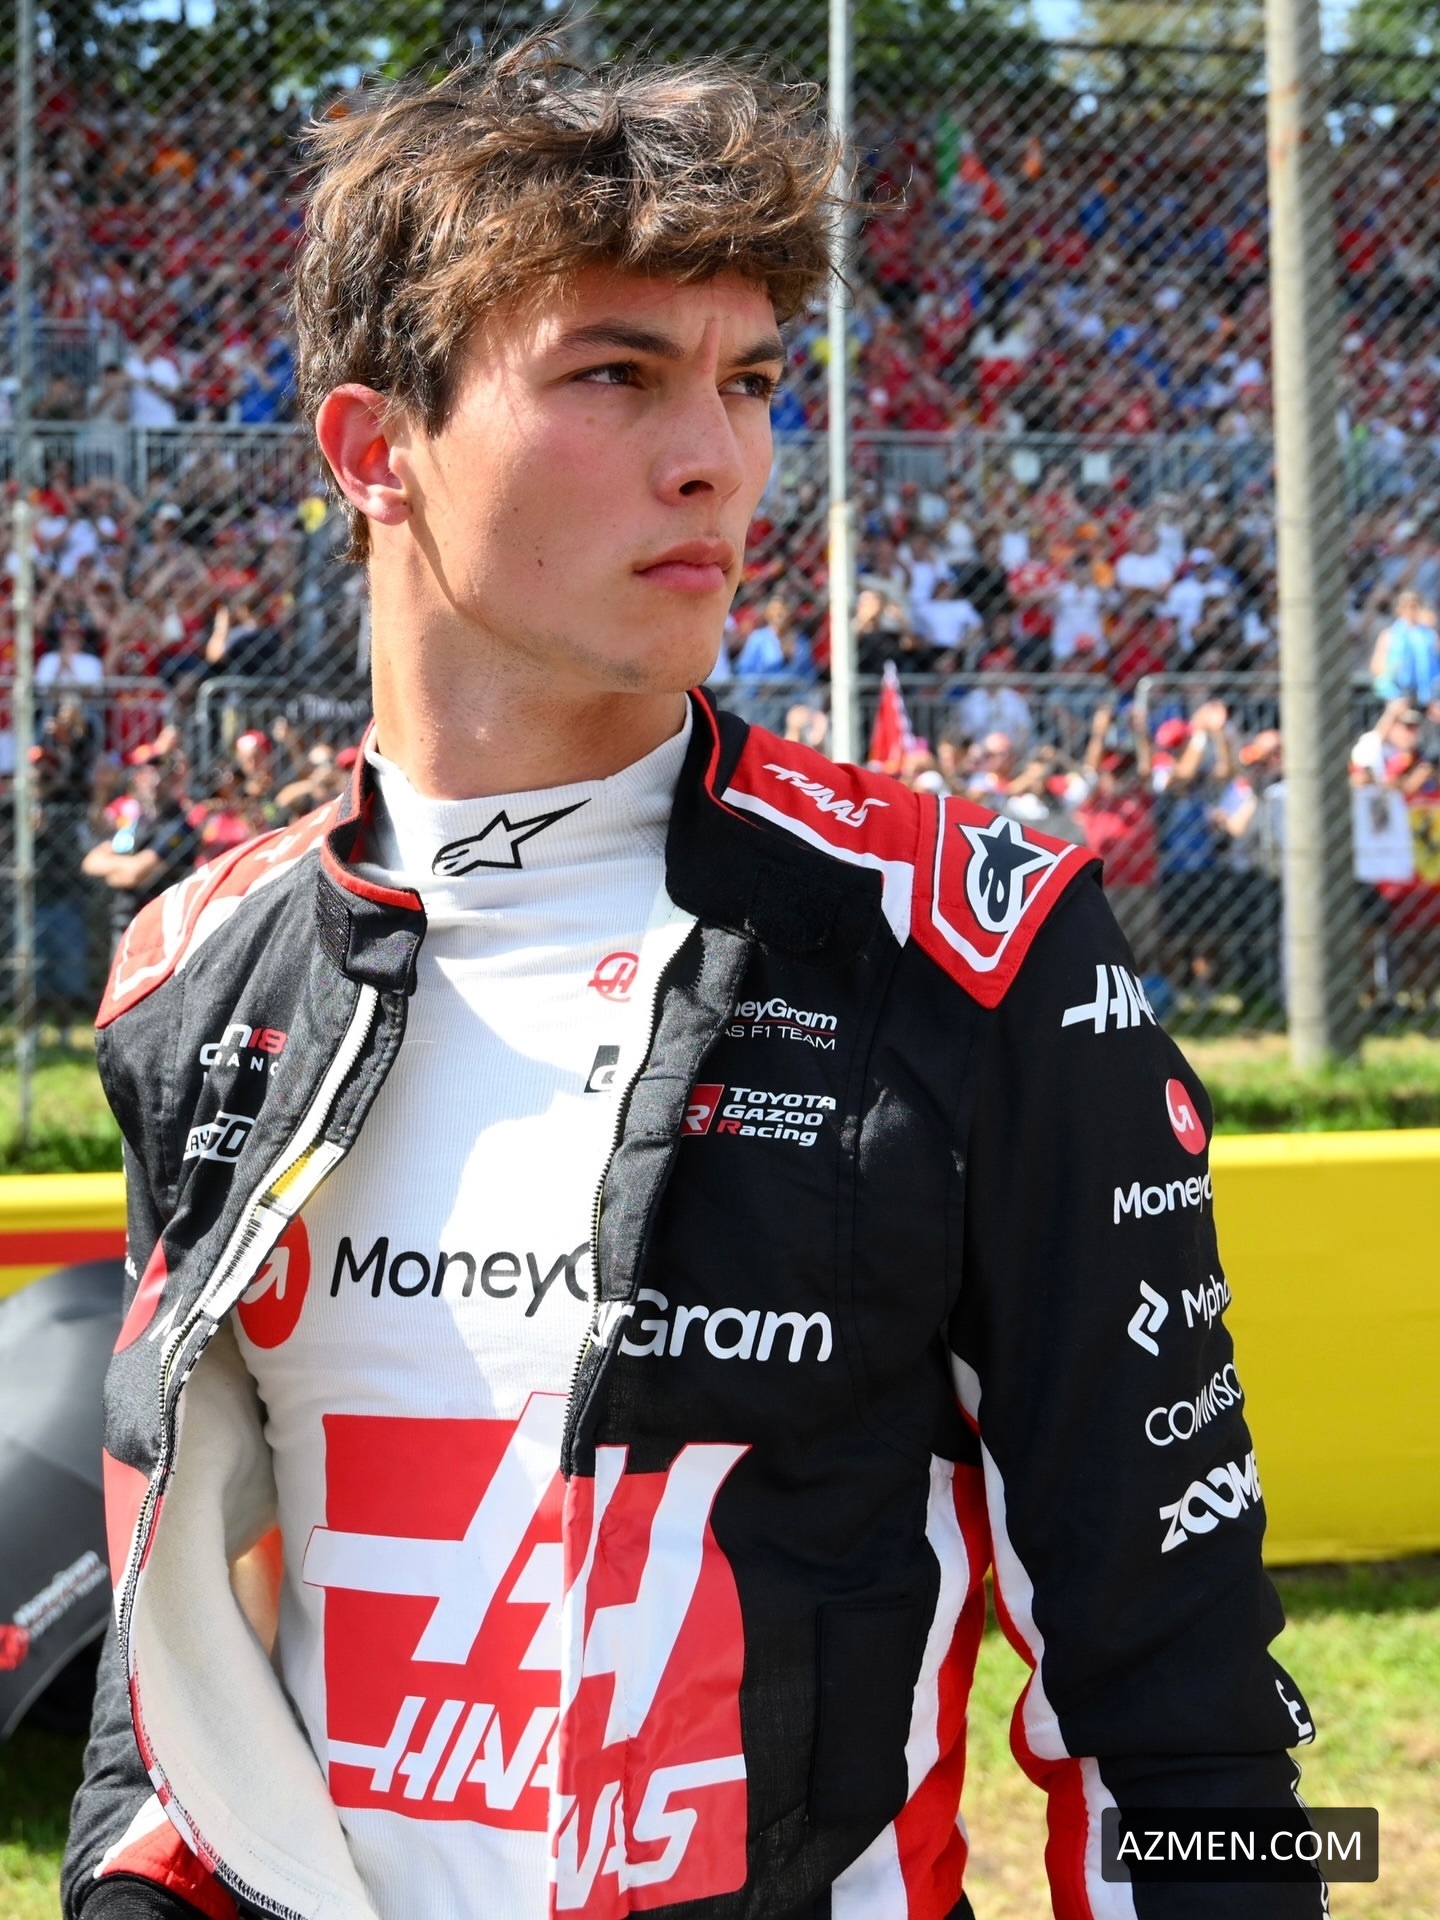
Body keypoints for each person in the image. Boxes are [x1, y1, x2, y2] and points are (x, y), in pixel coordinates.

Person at [66, 37, 1321, 1920]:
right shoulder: (195, 973)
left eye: (747, 382)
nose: (717, 458)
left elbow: (1185, 1702)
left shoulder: (976, 942)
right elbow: (178, 1649)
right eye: (616, 374)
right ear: (373, 451)